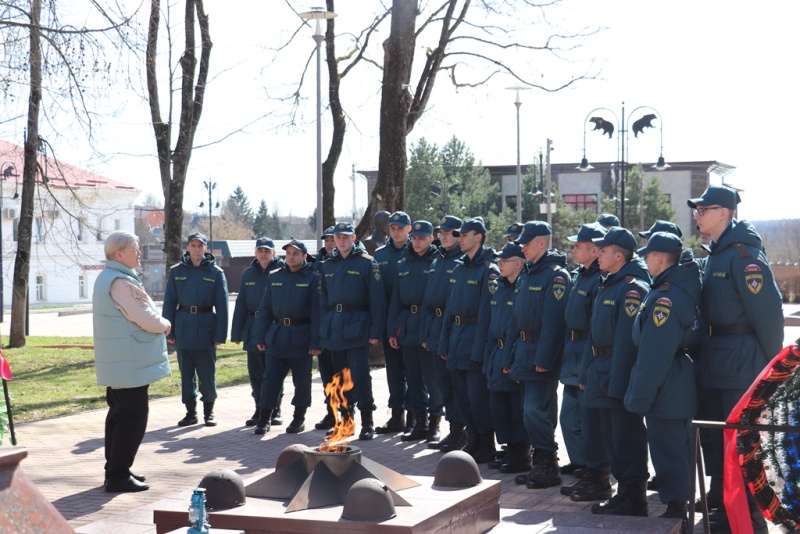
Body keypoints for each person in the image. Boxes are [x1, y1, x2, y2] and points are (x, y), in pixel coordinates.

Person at [689, 185, 783, 533]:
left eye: (704, 209)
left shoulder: (745, 257)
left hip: (741, 365)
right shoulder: (717, 254)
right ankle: (728, 509)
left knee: (741, 446)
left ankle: (750, 522)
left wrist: (772, 370)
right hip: (716, 362)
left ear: (724, 213)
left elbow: (768, 316)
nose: (697, 215)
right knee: (719, 443)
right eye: (696, 209)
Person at [626, 232, 701, 533]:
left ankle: (676, 511)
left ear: (659, 258)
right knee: (676, 447)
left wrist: (639, 397)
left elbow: (655, 355)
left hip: (668, 384)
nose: (645, 260)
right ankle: (679, 505)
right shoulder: (672, 288)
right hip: (675, 380)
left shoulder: (665, 298)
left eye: (648, 255)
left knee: (668, 448)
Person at [93, 231, 171, 493]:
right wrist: (165, 324)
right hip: (129, 363)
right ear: (118, 254)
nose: (139, 253)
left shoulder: (109, 277)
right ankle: (118, 476)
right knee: (132, 419)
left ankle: (116, 470)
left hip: (121, 363)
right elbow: (145, 318)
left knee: (118, 416)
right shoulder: (120, 282)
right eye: (134, 249)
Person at [585, 227, 651, 517]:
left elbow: (626, 342)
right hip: (602, 371)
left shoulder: (631, 288)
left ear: (619, 256)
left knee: (627, 437)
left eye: (603, 250)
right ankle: (623, 493)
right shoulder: (609, 283)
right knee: (611, 437)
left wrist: (619, 384)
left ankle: (635, 497)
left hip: (617, 375)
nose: (597, 254)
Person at [510, 221, 571, 489]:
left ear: (542, 243)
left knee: (535, 410)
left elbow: (554, 323)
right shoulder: (528, 273)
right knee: (530, 412)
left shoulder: (556, 276)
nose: (522, 247)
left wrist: (544, 359)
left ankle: (548, 463)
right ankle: (541, 463)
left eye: (526, 243)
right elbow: (516, 319)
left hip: (540, 354)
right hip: (524, 350)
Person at [558, 223, 613, 502]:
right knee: (569, 418)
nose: (573, 249)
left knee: (590, 422)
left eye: (578, 246)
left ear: (594, 250)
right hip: (574, 350)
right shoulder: (581, 275)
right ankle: (584, 466)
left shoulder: (599, 280)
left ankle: (596, 472)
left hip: (587, 353)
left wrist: (585, 364)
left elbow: (596, 326)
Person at [438, 217, 499, 464]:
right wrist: (444, 342)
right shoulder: (459, 267)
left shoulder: (489, 270)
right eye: (459, 235)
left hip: (475, 338)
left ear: (478, 237)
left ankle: (486, 442)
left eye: (464, 235)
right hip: (457, 338)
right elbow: (450, 309)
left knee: (478, 397)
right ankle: (472, 438)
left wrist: (479, 349)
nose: (460, 239)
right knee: (461, 396)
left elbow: (486, 314)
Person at [319, 222, 386, 440]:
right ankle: (346, 422)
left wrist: (376, 331)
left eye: (345, 237)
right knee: (339, 378)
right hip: (335, 328)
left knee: (360, 377)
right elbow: (323, 302)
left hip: (358, 327)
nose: (341, 241)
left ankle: (367, 423)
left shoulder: (367, 263)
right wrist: (323, 329)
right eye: (338, 237)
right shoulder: (328, 265)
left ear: (354, 238)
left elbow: (377, 301)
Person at [251, 239, 320, 435]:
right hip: (278, 336)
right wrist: (260, 337)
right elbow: (265, 309)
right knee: (270, 380)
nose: (291, 257)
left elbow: (317, 313)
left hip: (302, 337)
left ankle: (299, 418)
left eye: (296, 254)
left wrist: (316, 342)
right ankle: (264, 418)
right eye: (288, 253)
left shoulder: (313, 278)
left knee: (302, 382)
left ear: (304, 257)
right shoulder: (275, 277)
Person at [163, 232, 229, 427]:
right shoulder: (177, 272)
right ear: (188, 248)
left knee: (207, 374)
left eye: (200, 246)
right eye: (193, 245)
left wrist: (220, 334)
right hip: (183, 328)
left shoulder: (215, 273)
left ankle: (209, 412)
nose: (197, 249)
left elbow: (223, 307)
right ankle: (190, 412)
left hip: (206, 329)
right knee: (186, 375)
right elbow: (169, 303)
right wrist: (169, 331)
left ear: (205, 248)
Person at [387, 220, 442, 442]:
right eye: (415, 238)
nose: (417, 242)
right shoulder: (403, 263)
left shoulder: (437, 262)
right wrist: (392, 330)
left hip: (428, 323)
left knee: (432, 379)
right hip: (408, 325)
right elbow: (395, 300)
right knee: (413, 378)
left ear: (431, 239)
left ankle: (435, 423)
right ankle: (420, 422)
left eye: (422, 238)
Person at [421, 215, 466, 451]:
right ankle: (454, 430)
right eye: (441, 233)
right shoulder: (437, 260)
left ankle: (463, 432)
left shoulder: (462, 261)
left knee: (458, 385)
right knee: (444, 385)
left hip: (454, 328)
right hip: (436, 327)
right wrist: (426, 333)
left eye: (448, 233)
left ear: (459, 235)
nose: (443, 236)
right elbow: (428, 300)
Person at [484, 242, 530, 474]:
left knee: (515, 407)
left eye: (504, 261)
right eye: (499, 261)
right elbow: (492, 324)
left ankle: (521, 452)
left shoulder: (522, 287)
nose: (499, 264)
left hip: (513, 354)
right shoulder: (500, 286)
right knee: (498, 406)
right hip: (497, 352)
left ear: (518, 264)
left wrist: (510, 359)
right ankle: (510, 447)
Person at [230, 237, 283, 428]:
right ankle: (259, 408)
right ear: (255, 252)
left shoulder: (282, 272)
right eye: (260, 250)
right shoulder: (248, 274)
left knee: (274, 371)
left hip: (274, 327)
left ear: (274, 253)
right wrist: (236, 333)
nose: (263, 254)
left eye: (267, 251)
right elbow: (241, 304)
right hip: (253, 327)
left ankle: (275, 409)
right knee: (256, 373)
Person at [374, 211, 412, 435]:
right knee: (394, 372)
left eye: (400, 228)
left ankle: (417, 417)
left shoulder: (417, 251)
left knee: (415, 373)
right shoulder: (380, 255)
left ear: (409, 229)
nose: (396, 232)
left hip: (411, 318)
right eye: (392, 228)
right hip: (390, 318)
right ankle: (397, 416)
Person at [312, 225, 337, 430]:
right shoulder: (316, 263)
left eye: (332, 240)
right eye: (326, 240)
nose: (329, 244)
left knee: (342, 375)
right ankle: (331, 413)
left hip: (340, 325)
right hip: (322, 326)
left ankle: (345, 414)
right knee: (326, 374)